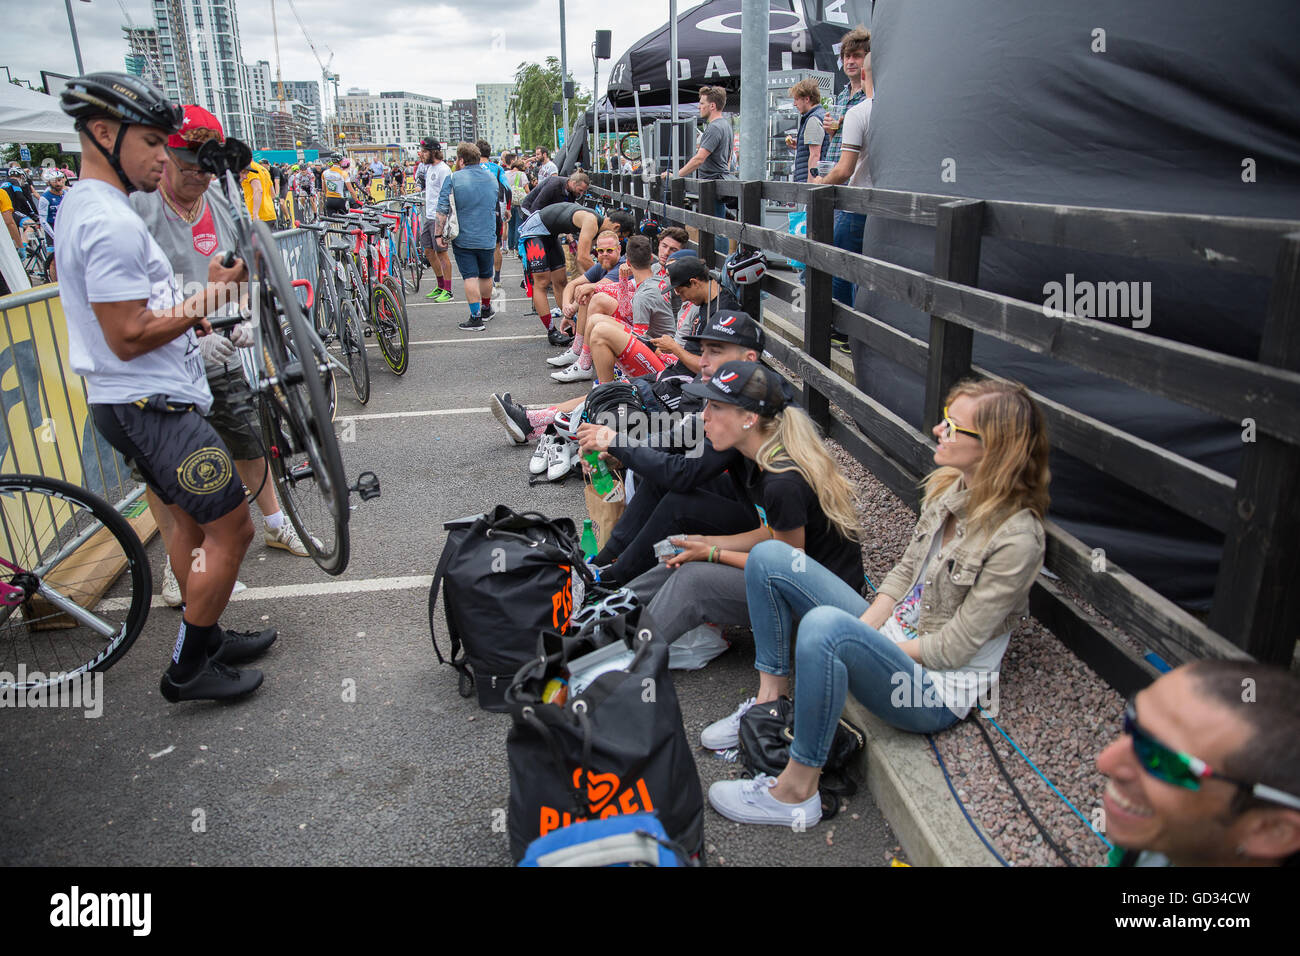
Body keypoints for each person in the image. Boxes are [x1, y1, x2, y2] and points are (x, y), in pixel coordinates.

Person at [706, 379, 1050, 828]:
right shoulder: (951, 489)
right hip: (891, 643)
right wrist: (866, 633)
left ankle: (795, 792)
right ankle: (768, 705)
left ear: (995, 448)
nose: (937, 430)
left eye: (953, 426)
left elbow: (956, 648)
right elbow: (903, 574)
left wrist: (861, 644)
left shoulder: (1017, 539)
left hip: (930, 692)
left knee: (825, 628)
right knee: (772, 557)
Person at [56, 72, 274, 702]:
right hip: (152, 404)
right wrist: (206, 296)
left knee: (190, 529)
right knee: (232, 530)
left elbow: (131, 310)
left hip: (130, 401)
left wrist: (189, 300)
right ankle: (189, 665)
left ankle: (203, 633)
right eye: (153, 142)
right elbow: (127, 333)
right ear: (103, 132)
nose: (163, 157)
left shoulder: (86, 204)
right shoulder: (112, 220)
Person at [131, 102, 319, 607]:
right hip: (156, 358)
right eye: (188, 162)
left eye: (206, 165)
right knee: (170, 476)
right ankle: (183, 566)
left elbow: (245, 268)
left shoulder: (220, 199)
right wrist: (188, 329)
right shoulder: (138, 207)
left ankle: (278, 524)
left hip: (218, 344)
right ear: (165, 155)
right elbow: (127, 303)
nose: (197, 174)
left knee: (247, 439)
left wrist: (248, 316)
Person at [622, 360, 862, 653]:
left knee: (694, 580)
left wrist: (713, 554)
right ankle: (603, 613)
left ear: (749, 419)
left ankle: (624, 658)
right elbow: (770, 533)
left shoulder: (783, 481)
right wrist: (703, 542)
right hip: (799, 585)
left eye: (715, 407)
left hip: (823, 612)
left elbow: (786, 568)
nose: (704, 416)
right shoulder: (759, 457)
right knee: (681, 554)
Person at [575, 311, 771, 586]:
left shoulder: (750, 405)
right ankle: (605, 561)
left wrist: (618, 442)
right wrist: (617, 448)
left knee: (680, 502)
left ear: (748, 359)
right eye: (702, 351)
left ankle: (609, 580)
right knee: (657, 479)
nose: (702, 362)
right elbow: (678, 438)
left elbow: (683, 472)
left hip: (769, 530)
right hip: (752, 503)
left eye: (714, 352)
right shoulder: (737, 388)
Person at [1097, 659, 1300, 867]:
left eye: (1168, 761)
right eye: (1131, 723)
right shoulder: (1153, 834)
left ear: (1272, 830)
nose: (1105, 761)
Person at [818, 24, 872, 338]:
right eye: (846, 56)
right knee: (835, 255)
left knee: (848, 261)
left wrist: (825, 180)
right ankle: (840, 326)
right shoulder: (841, 94)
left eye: (857, 56)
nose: (850, 61)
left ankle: (851, 331)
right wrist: (832, 132)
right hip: (839, 184)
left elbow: (849, 164)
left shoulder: (870, 97)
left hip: (852, 187)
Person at [517, 200, 620, 334]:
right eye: (620, 235)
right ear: (617, 227)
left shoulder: (597, 223)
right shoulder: (592, 221)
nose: (617, 238)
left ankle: (571, 320)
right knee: (541, 282)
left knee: (560, 280)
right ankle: (551, 331)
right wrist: (605, 281)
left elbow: (583, 260)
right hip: (534, 232)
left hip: (550, 234)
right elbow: (582, 258)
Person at [436, 142, 499, 331]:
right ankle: (487, 308)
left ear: (461, 160)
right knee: (487, 274)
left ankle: (475, 317)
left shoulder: (454, 178)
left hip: (464, 236)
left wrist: (438, 234)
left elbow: (442, 210)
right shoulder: (491, 177)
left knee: (470, 276)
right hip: (488, 234)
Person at [649, 256, 742, 376]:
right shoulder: (707, 299)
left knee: (624, 391)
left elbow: (711, 369)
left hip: (686, 381)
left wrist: (674, 348)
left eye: (681, 292)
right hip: (676, 372)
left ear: (694, 282)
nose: (683, 298)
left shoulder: (723, 313)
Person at [662, 86, 733, 221]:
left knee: (714, 228)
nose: (698, 107)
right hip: (718, 182)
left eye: (702, 103)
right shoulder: (725, 125)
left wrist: (676, 176)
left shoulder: (714, 127)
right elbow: (728, 158)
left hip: (712, 185)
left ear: (712, 106)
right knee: (718, 226)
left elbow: (699, 159)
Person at [417, 138, 455, 302]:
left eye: (425, 151)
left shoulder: (443, 169)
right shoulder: (428, 168)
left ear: (433, 152)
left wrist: (443, 219)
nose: (422, 154)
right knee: (428, 251)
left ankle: (448, 289)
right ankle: (440, 285)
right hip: (429, 215)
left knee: (442, 253)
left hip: (439, 216)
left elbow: (447, 193)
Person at [787, 79, 826, 183]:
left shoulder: (813, 119)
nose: (795, 104)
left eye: (796, 99)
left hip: (807, 182)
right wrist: (800, 144)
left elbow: (815, 155)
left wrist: (809, 188)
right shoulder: (820, 115)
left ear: (807, 99)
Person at [37, 170, 68, 281]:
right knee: (53, 260)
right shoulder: (45, 198)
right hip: (51, 229)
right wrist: (54, 235)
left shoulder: (66, 194)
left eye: (60, 180)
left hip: (64, 227)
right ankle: (54, 285)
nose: (58, 184)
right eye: (55, 181)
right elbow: (43, 221)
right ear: (49, 182)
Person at [240, 159, 276, 223]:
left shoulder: (249, 167)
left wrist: (255, 214)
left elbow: (258, 189)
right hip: (270, 213)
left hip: (257, 216)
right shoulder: (263, 169)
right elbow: (273, 194)